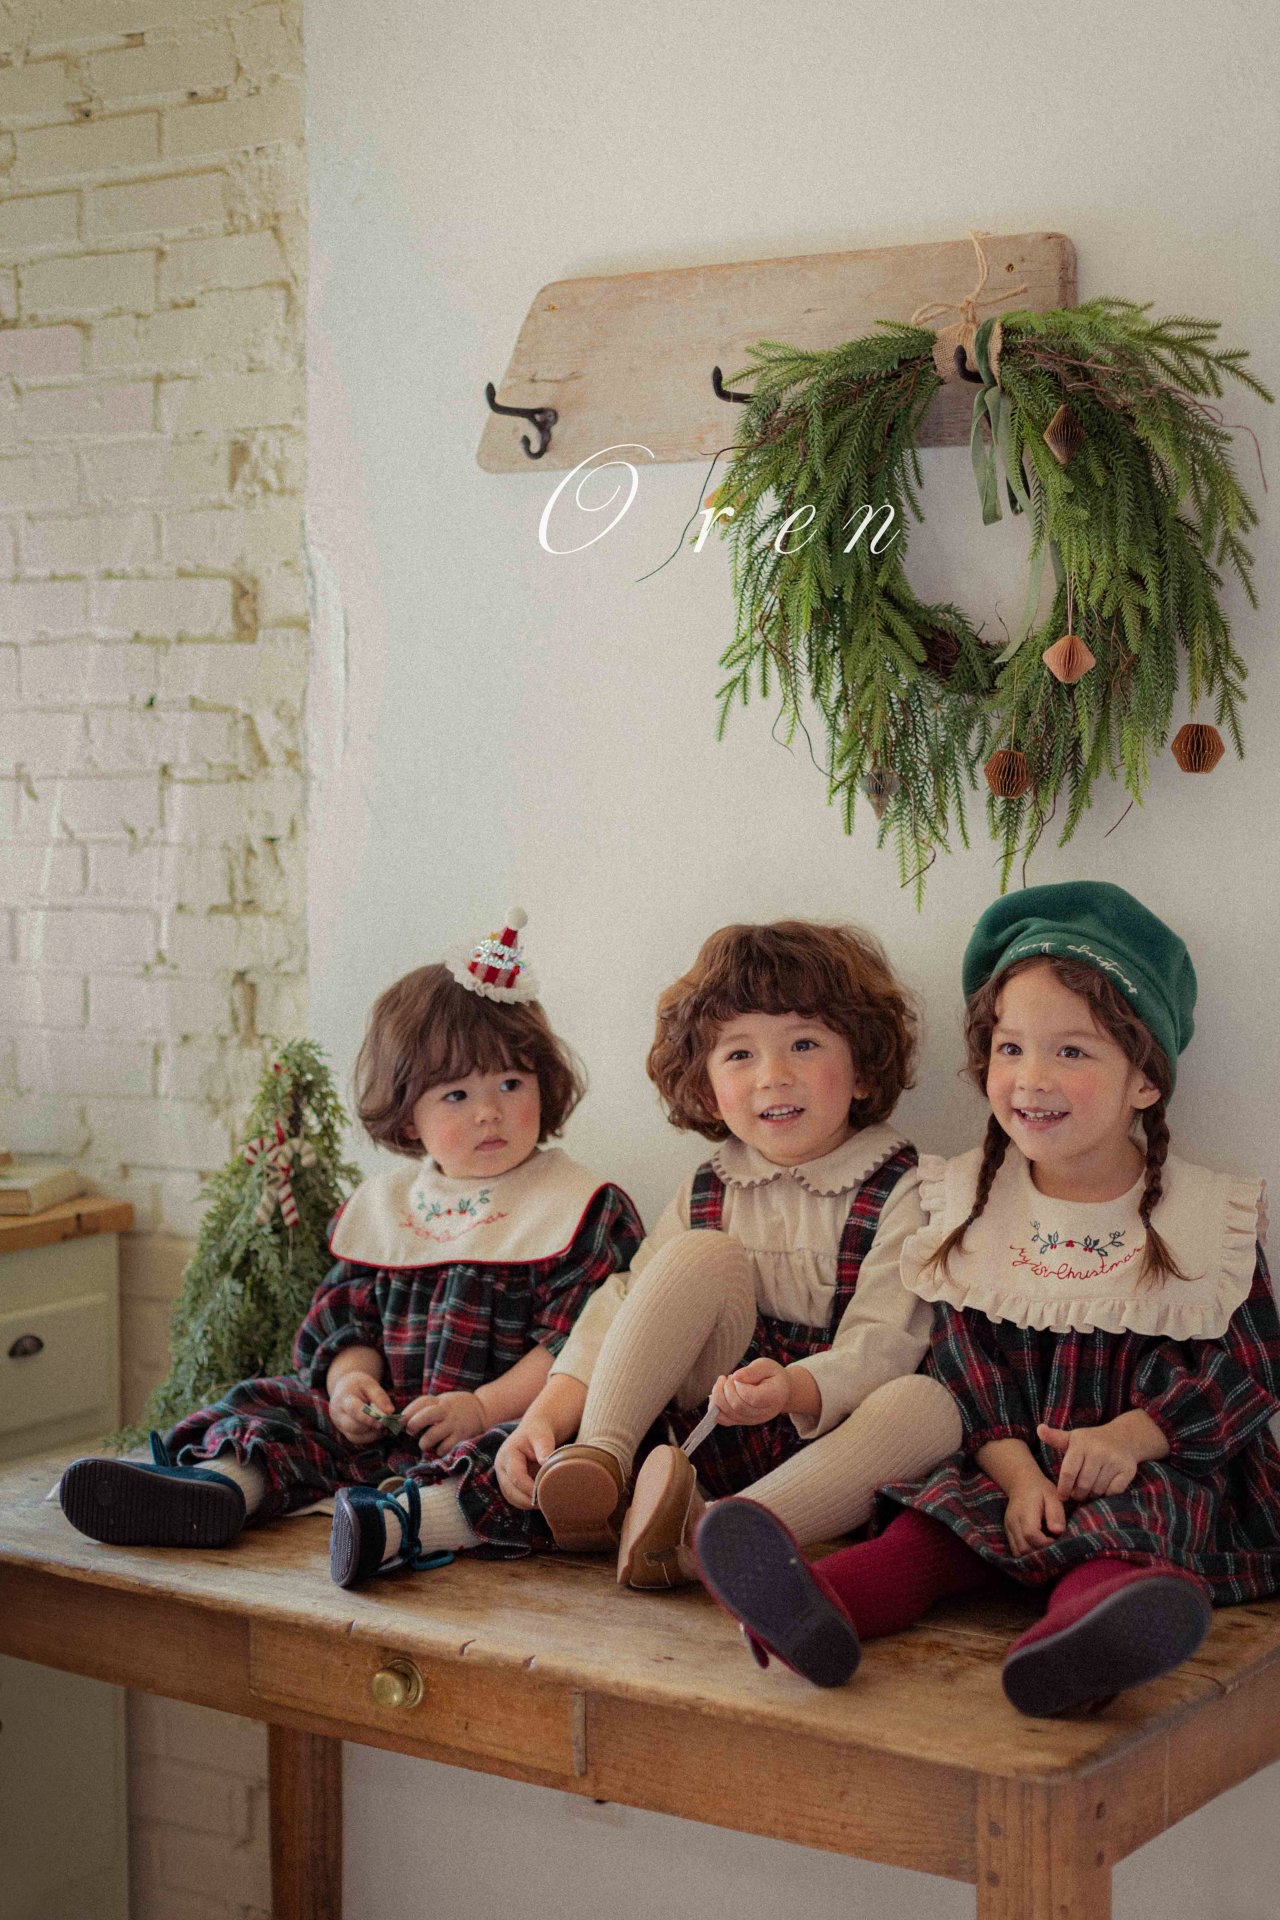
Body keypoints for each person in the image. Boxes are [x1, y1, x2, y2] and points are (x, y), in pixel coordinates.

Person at [695, 883, 1280, 1712]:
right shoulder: (967, 1202)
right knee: (928, 1526)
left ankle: (1086, 1639)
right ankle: (817, 1608)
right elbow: (961, 1366)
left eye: (1071, 1052)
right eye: (1010, 1049)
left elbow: (1251, 1368)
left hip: (1149, 1467)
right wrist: (1016, 1475)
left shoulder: (1204, 1216)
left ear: (1146, 1079)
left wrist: (1131, 1437)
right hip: (1002, 1463)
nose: (1031, 1079)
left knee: (1130, 1536)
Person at [59, 912, 643, 1587]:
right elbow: (349, 1318)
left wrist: (484, 1407)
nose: (489, 1111)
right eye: (457, 1094)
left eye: (511, 1084)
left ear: (545, 1083)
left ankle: (403, 1525)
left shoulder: (581, 1206)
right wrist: (350, 1385)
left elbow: (576, 1347)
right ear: (408, 1117)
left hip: (506, 1416)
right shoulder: (386, 1206)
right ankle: (219, 1489)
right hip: (386, 1423)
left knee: (535, 1462)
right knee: (273, 1403)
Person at [495, 920, 962, 1590]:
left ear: (862, 1069)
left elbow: (884, 1343)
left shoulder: (905, 1189)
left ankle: (710, 1537)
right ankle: (601, 1464)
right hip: (702, 1434)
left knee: (928, 1405)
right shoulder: (708, 1186)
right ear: (706, 1085)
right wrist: (546, 1414)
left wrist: (793, 1388)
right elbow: (626, 1303)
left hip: (823, 1451)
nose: (774, 1076)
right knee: (698, 1257)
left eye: (804, 1044)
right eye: (739, 1054)